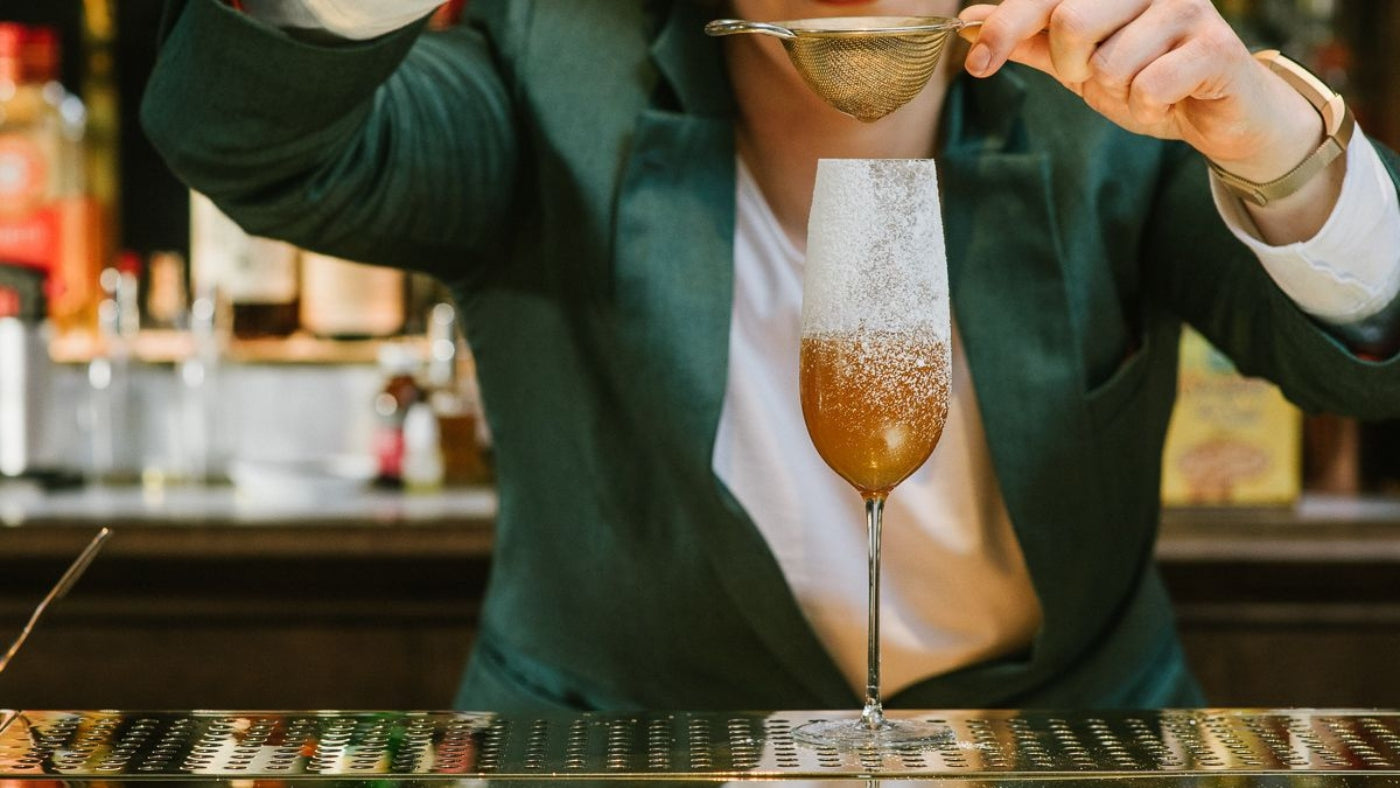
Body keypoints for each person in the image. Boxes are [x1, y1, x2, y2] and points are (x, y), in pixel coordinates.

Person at [141, 0, 1400, 713]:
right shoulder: (549, 69)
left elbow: (1367, 353)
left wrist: (1280, 142)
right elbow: (250, 144)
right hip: (622, 742)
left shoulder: (1116, 105)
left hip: (1061, 737)